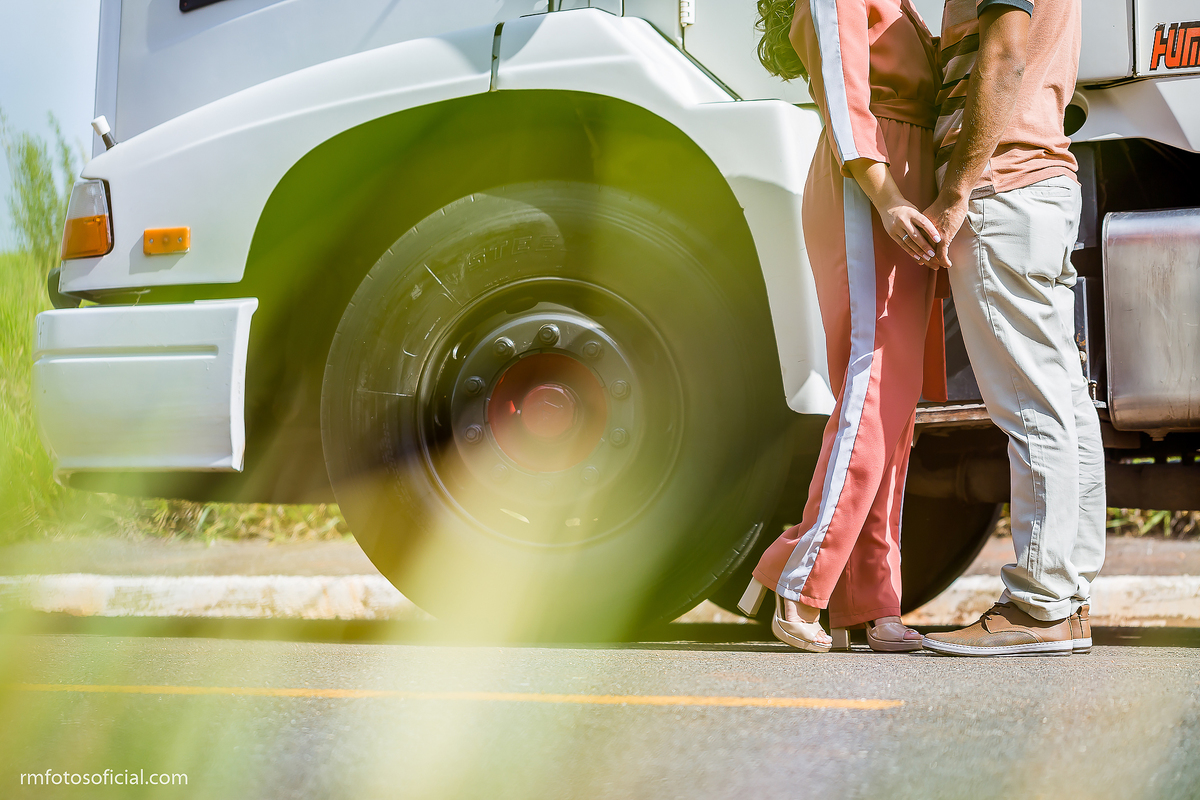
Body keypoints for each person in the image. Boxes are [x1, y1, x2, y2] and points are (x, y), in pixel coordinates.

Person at [738, 0, 948, 652]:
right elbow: (842, 88)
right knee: (872, 382)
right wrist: (886, 196)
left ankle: (871, 599)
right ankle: (800, 580)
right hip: (869, 181)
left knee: (894, 403)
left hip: (901, 174)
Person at [920, 0, 1105, 656]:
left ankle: (1040, 605)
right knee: (1062, 401)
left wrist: (956, 190)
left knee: (1031, 404)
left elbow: (1003, 56)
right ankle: (1066, 594)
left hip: (1003, 185)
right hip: (1041, 182)